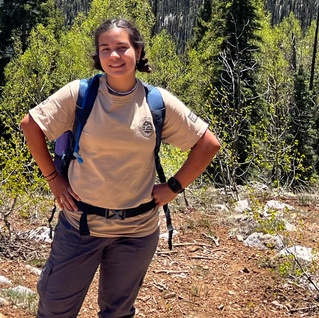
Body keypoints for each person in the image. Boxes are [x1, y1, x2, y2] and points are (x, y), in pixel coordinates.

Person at [20, 18, 220, 318]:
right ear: (98, 56)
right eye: (106, 49)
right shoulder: (81, 94)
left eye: (122, 48)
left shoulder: (156, 102)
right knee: (55, 309)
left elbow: (208, 143)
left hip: (137, 231)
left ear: (137, 52)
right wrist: (53, 180)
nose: (114, 56)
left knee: (118, 312)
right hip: (81, 225)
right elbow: (31, 125)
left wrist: (173, 188)